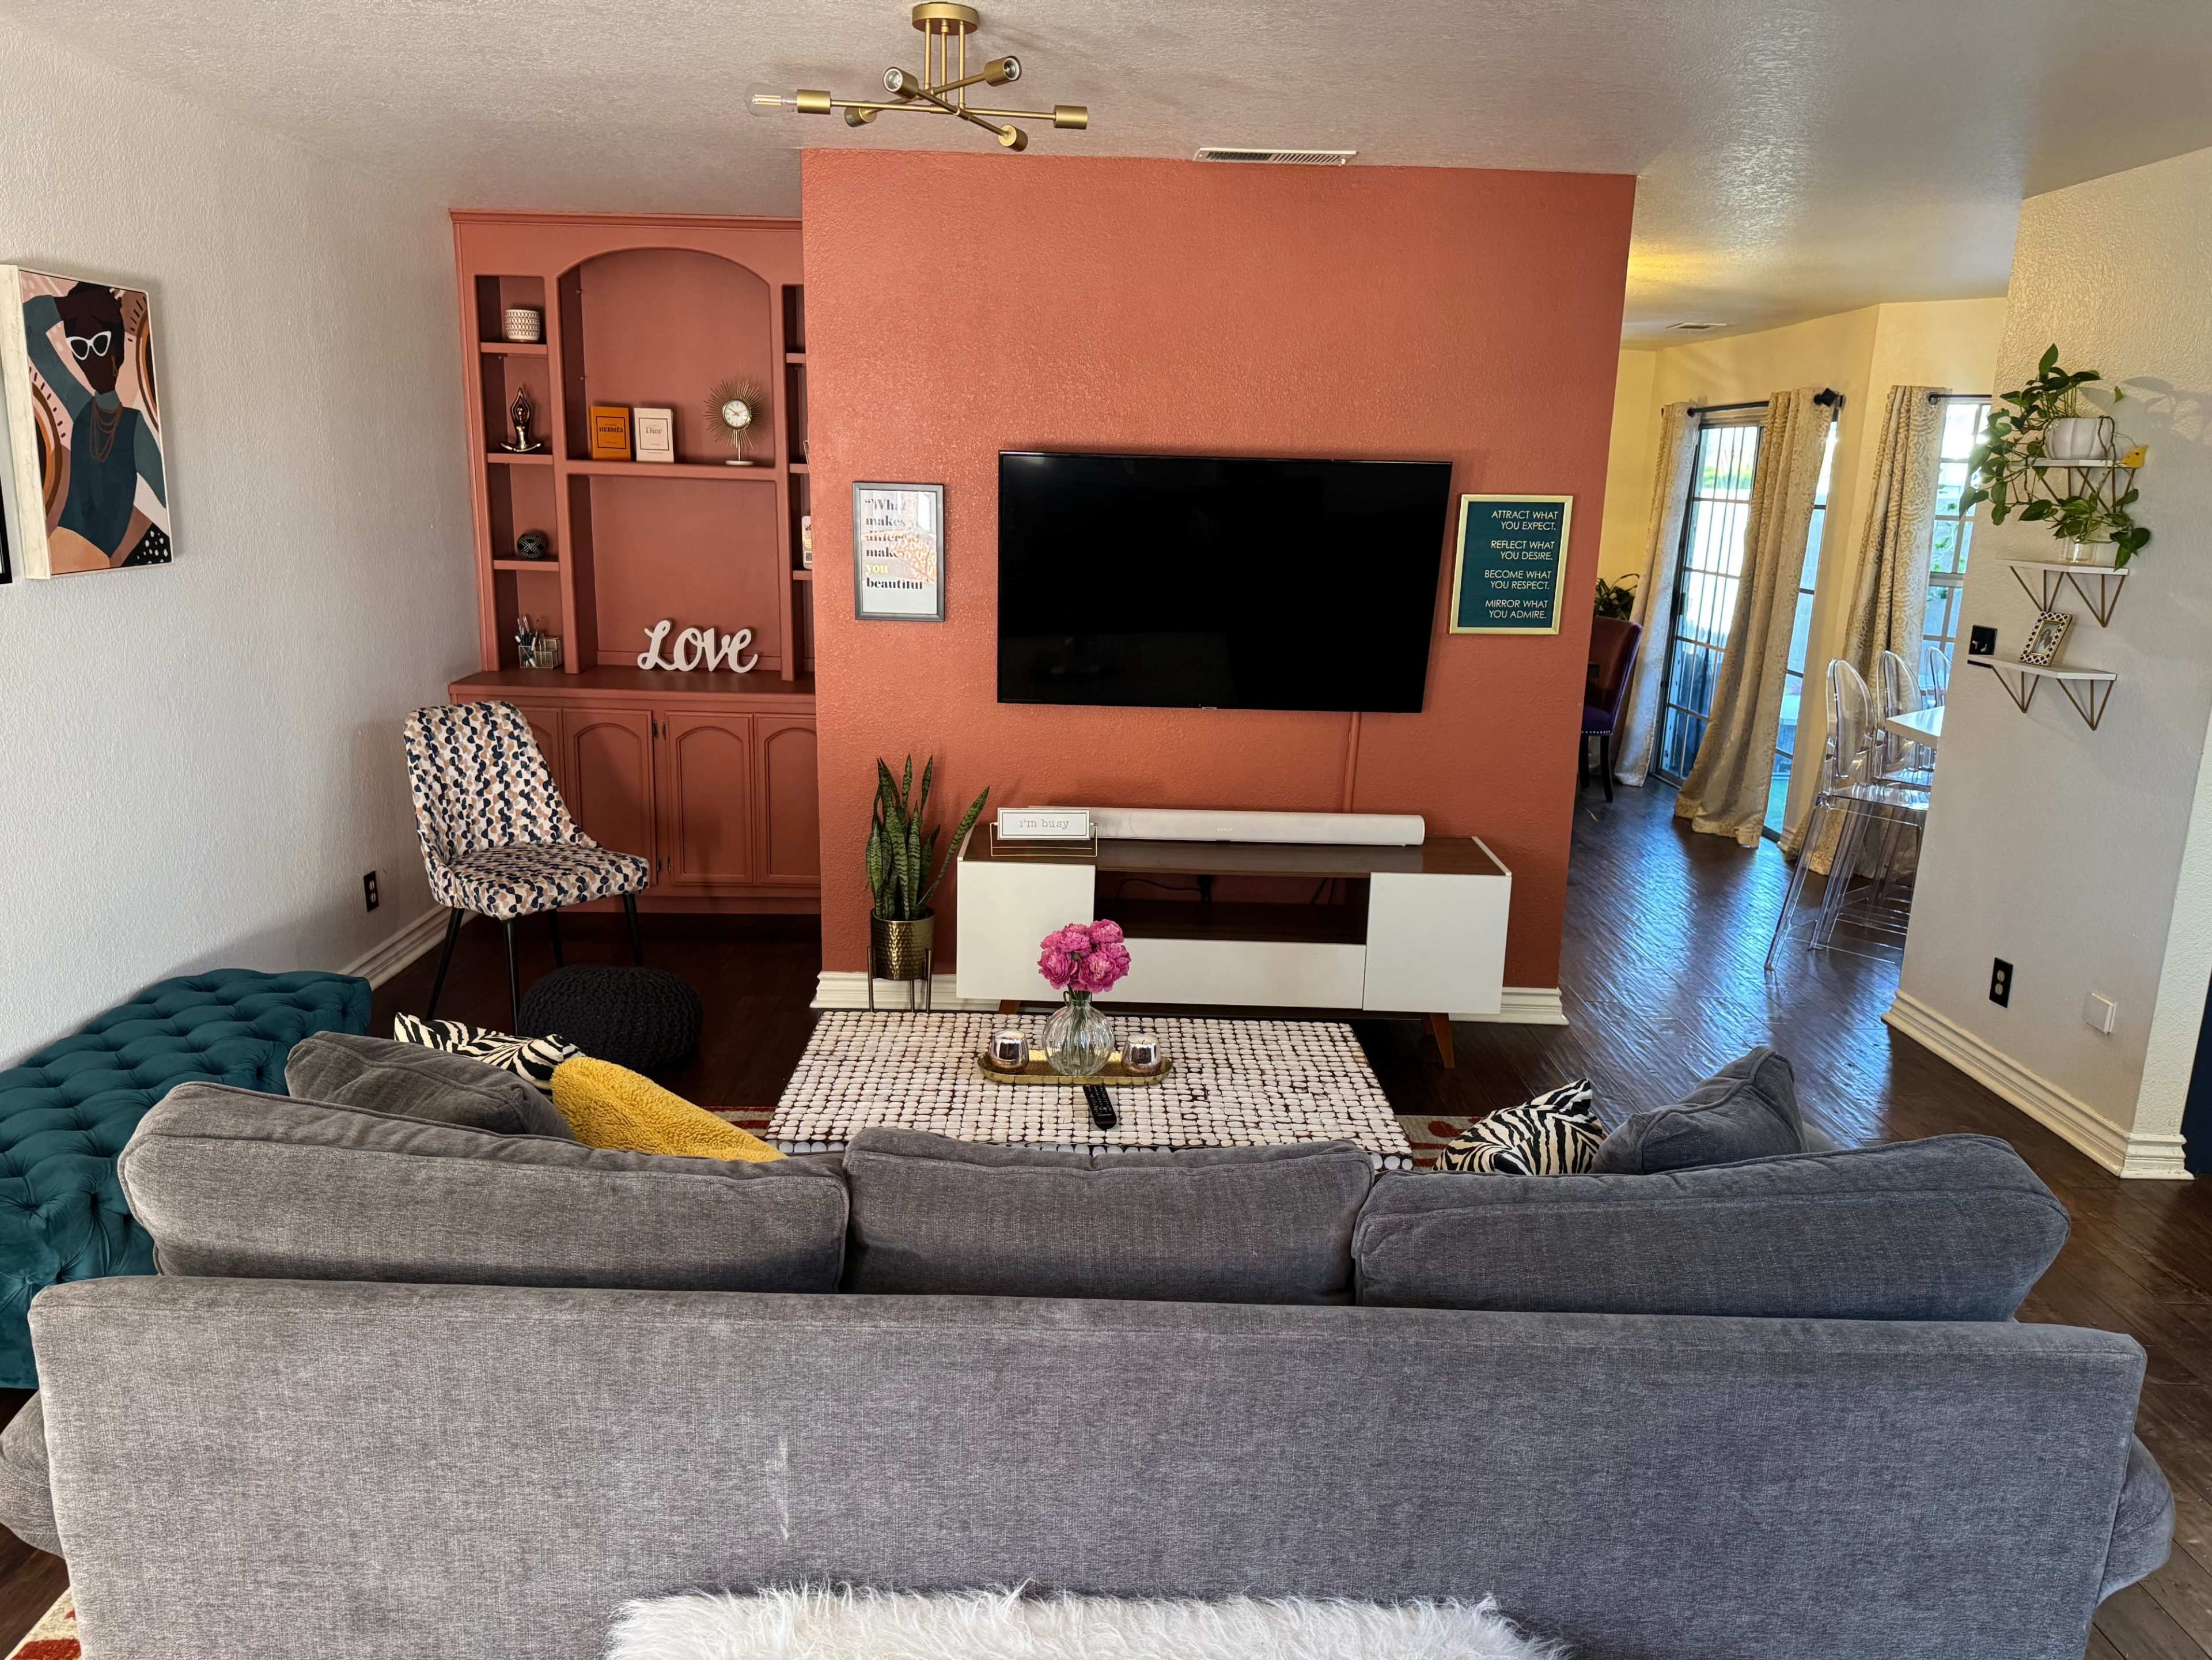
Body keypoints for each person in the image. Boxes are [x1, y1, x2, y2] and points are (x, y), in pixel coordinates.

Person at [23, 281, 169, 570]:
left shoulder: (135, 430)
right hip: (67, 553)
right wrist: (79, 305)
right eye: (80, 348)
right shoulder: (79, 403)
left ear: (117, 349)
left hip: (100, 560)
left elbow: (172, 499)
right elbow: (24, 325)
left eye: (100, 344)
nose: (91, 359)